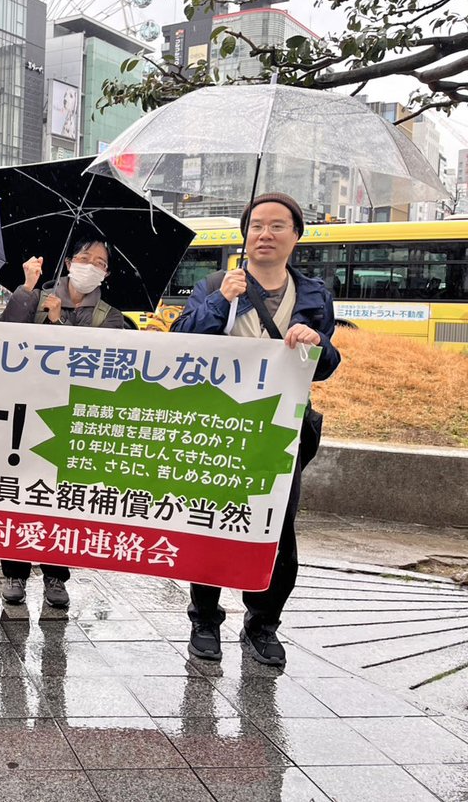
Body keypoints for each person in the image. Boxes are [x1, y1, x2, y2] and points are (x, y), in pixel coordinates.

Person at [173, 192, 340, 668]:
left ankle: (263, 622)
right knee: (210, 518)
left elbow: (326, 366)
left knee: (277, 530)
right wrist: (219, 303)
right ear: (245, 235)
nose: (264, 234)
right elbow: (181, 343)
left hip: (280, 431)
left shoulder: (313, 294)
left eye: (276, 226)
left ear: (296, 236)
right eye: (256, 226)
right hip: (219, 426)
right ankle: (205, 618)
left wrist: (317, 343)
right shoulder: (215, 284)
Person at [0, 238, 125, 609]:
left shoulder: (110, 316)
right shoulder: (37, 298)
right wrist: (28, 287)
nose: (91, 266)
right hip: (28, 413)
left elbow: (103, 366)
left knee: (61, 498)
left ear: (106, 273)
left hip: (74, 419)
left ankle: (55, 574)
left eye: (99, 262)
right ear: (69, 261)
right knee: (18, 494)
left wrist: (57, 326)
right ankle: (14, 573)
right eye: (85, 258)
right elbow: (5, 336)